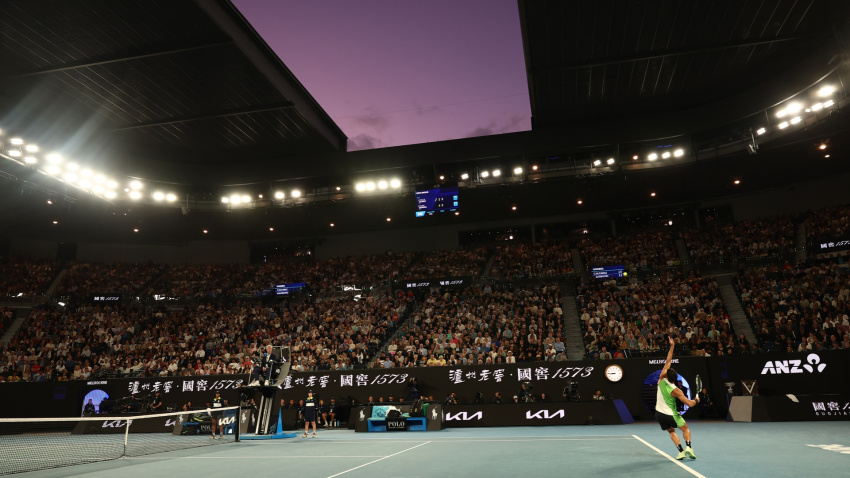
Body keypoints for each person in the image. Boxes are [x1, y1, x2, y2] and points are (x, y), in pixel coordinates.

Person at [656, 336, 699, 460]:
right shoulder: (677, 391)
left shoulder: (661, 379)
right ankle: (689, 447)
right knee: (685, 428)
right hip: (671, 414)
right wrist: (696, 400)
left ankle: (681, 452)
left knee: (671, 431)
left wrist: (672, 346)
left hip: (659, 414)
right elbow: (690, 404)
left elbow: (668, 359)